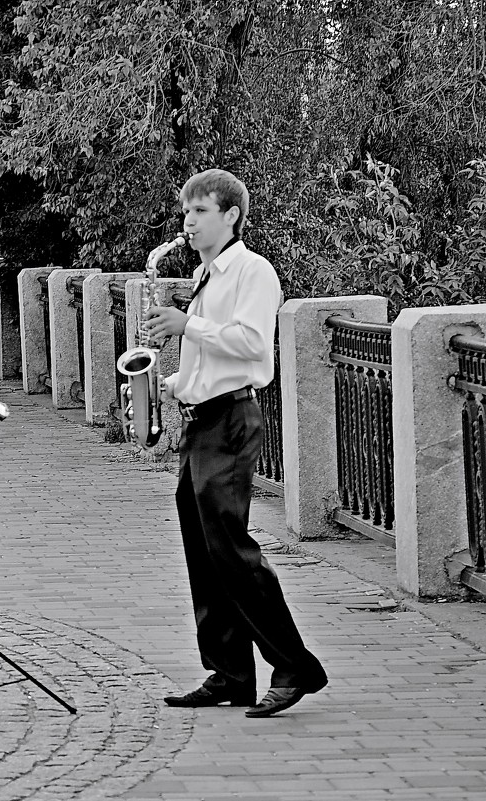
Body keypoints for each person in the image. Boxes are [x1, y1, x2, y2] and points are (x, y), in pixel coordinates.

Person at [145, 168, 327, 718]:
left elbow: (251, 345)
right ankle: (229, 672)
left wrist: (186, 326)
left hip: (231, 419)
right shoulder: (204, 278)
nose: (188, 222)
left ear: (231, 216)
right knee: (204, 552)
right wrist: (166, 386)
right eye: (186, 212)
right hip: (203, 419)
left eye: (199, 211)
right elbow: (210, 359)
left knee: (232, 548)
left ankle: (295, 665)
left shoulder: (253, 271)